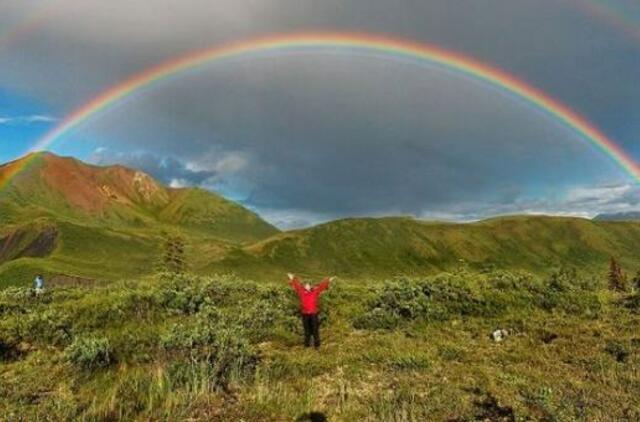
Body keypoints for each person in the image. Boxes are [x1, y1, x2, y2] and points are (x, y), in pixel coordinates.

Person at [287, 273, 336, 348]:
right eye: (305, 285)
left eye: (308, 285)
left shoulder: (315, 292)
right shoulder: (301, 292)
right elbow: (296, 285)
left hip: (313, 314)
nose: (307, 286)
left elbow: (322, 286)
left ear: (310, 286)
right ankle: (306, 346)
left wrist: (328, 280)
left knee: (315, 330)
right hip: (305, 314)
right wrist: (292, 278)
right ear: (304, 286)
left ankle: (317, 346)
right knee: (307, 331)